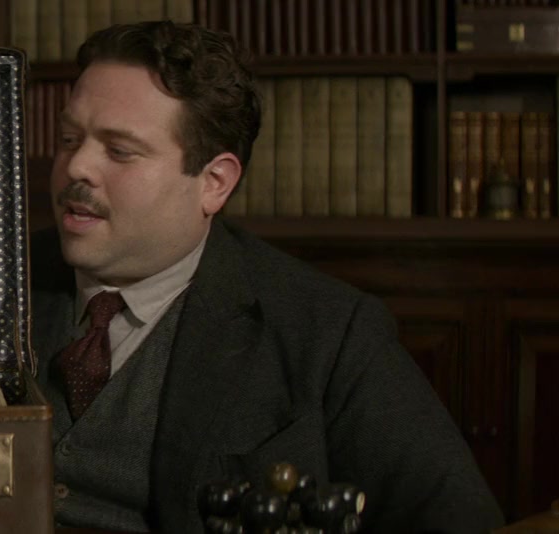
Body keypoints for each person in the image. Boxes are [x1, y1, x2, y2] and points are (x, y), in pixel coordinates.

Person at [31, 21, 503, 533]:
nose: (76, 166)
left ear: (214, 183)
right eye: (69, 138)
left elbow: (458, 519)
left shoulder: (326, 332)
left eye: (120, 150)